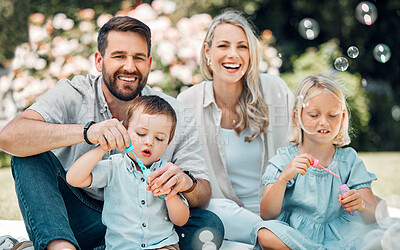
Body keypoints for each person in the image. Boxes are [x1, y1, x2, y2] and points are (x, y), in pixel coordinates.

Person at [0, 16, 223, 250]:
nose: (129, 66)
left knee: (209, 226)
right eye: (119, 56)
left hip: (144, 222)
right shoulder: (74, 93)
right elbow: (10, 136)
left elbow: (203, 192)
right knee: (27, 156)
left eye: (138, 58)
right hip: (77, 216)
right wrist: (87, 132)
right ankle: (60, 246)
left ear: (148, 63)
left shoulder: (174, 113)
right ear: (99, 61)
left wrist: (184, 182)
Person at [177, 10, 293, 245]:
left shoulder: (275, 91)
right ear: (208, 52)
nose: (233, 54)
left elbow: (302, 145)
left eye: (242, 47)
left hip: (277, 209)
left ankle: (274, 236)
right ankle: (275, 238)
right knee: (212, 208)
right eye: (223, 46)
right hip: (226, 215)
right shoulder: (187, 103)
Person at [255, 75, 378, 249]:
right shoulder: (285, 159)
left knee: (377, 235)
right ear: (297, 117)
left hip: (340, 234)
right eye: (314, 114)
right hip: (296, 234)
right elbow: (267, 214)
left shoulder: (348, 160)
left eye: (332, 115)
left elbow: (374, 215)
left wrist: (362, 204)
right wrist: (283, 178)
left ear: (342, 117)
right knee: (265, 233)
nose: (324, 122)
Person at [67, 95, 189, 249]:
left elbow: (181, 220)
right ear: (124, 132)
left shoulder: (167, 173)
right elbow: (73, 178)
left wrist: (170, 196)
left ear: (167, 143)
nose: (149, 142)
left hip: (162, 245)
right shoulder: (114, 167)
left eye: (159, 138)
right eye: (141, 134)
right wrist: (103, 146)